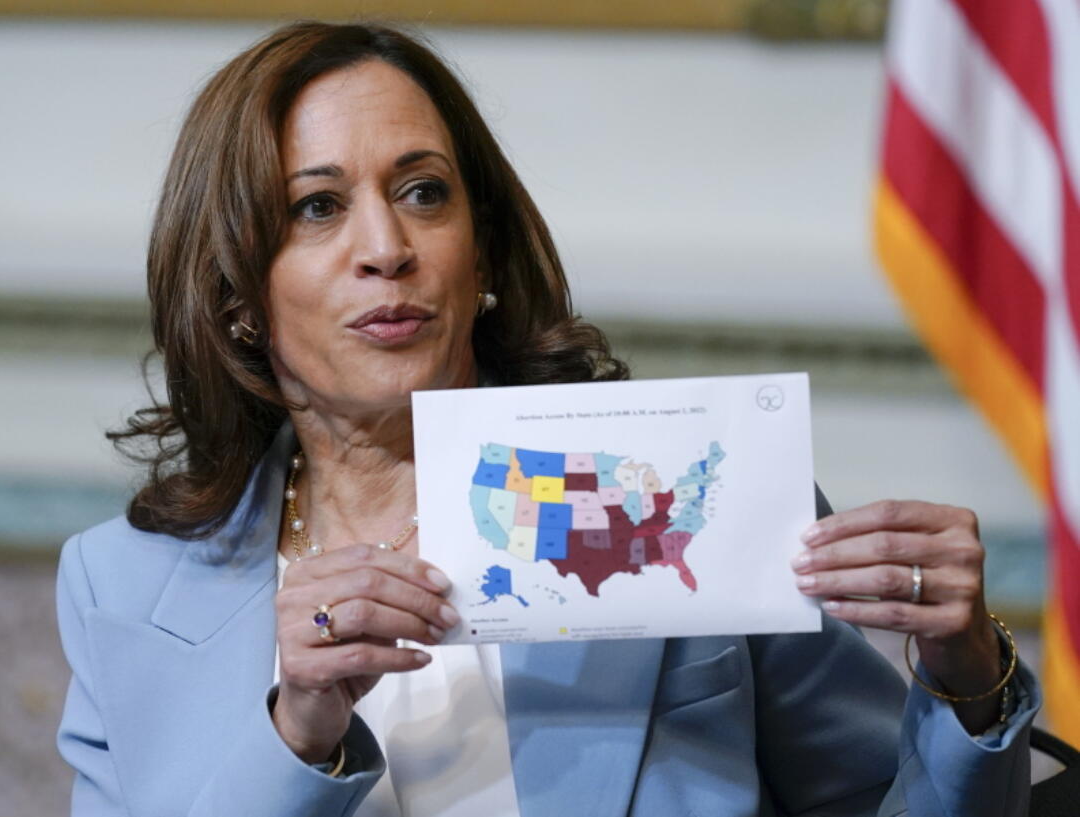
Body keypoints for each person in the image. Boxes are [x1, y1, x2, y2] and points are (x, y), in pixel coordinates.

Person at [55, 20, 1041, 817]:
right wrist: (299, 726)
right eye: (316, 207)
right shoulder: (119, 587)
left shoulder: (680, 481)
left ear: (477, 254)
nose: (385, 246)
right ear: (235, 295)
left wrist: (964, 674)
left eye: (423, 192)